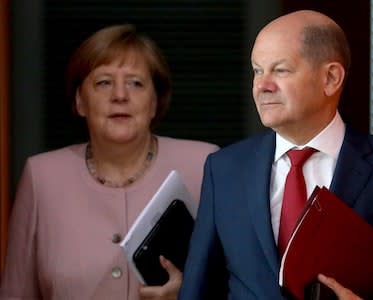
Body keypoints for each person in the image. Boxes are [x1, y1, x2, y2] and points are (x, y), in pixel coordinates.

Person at [179, 10, 373, 300]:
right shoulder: (224, 168)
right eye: (257, 70)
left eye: (280, 70)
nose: (262, 86)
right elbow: (198, 288)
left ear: (331, 78)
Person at [0, 24, 219, 300]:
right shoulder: (42, 176)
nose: (120, 95)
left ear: (155, 102)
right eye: (104, 82)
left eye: (135, 83)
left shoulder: (204, 165)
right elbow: (15, 292)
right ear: (80, 101)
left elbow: (241, 283)